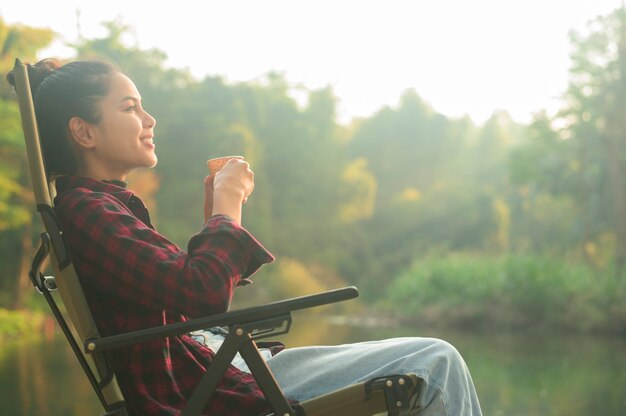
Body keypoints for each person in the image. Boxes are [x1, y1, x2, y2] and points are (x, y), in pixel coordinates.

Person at [7, 58, 483, 416]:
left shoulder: (100, 206)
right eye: (131, 108)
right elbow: (204, 292)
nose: (150, 120)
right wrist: (226, 209)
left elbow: (185, 290)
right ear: (83, 133)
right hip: (208, 381)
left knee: (433, 359)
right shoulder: (90, 210)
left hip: (217, 361)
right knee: (436, 362)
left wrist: (217, 222)